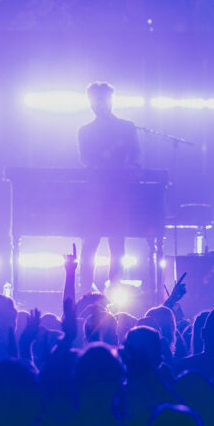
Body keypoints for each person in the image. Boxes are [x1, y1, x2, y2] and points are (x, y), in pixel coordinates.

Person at [77, 81, 141, 295]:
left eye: (102, 100)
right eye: (94, 101)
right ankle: (87, 289)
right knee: (92, 242)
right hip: (97, 194)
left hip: (114, 193)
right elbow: (87, 159)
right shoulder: (85, 131)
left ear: (110, 101)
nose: (98, 105)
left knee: (115, 242)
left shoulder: (127, 127)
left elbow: (135, 156)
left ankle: (113, 286)